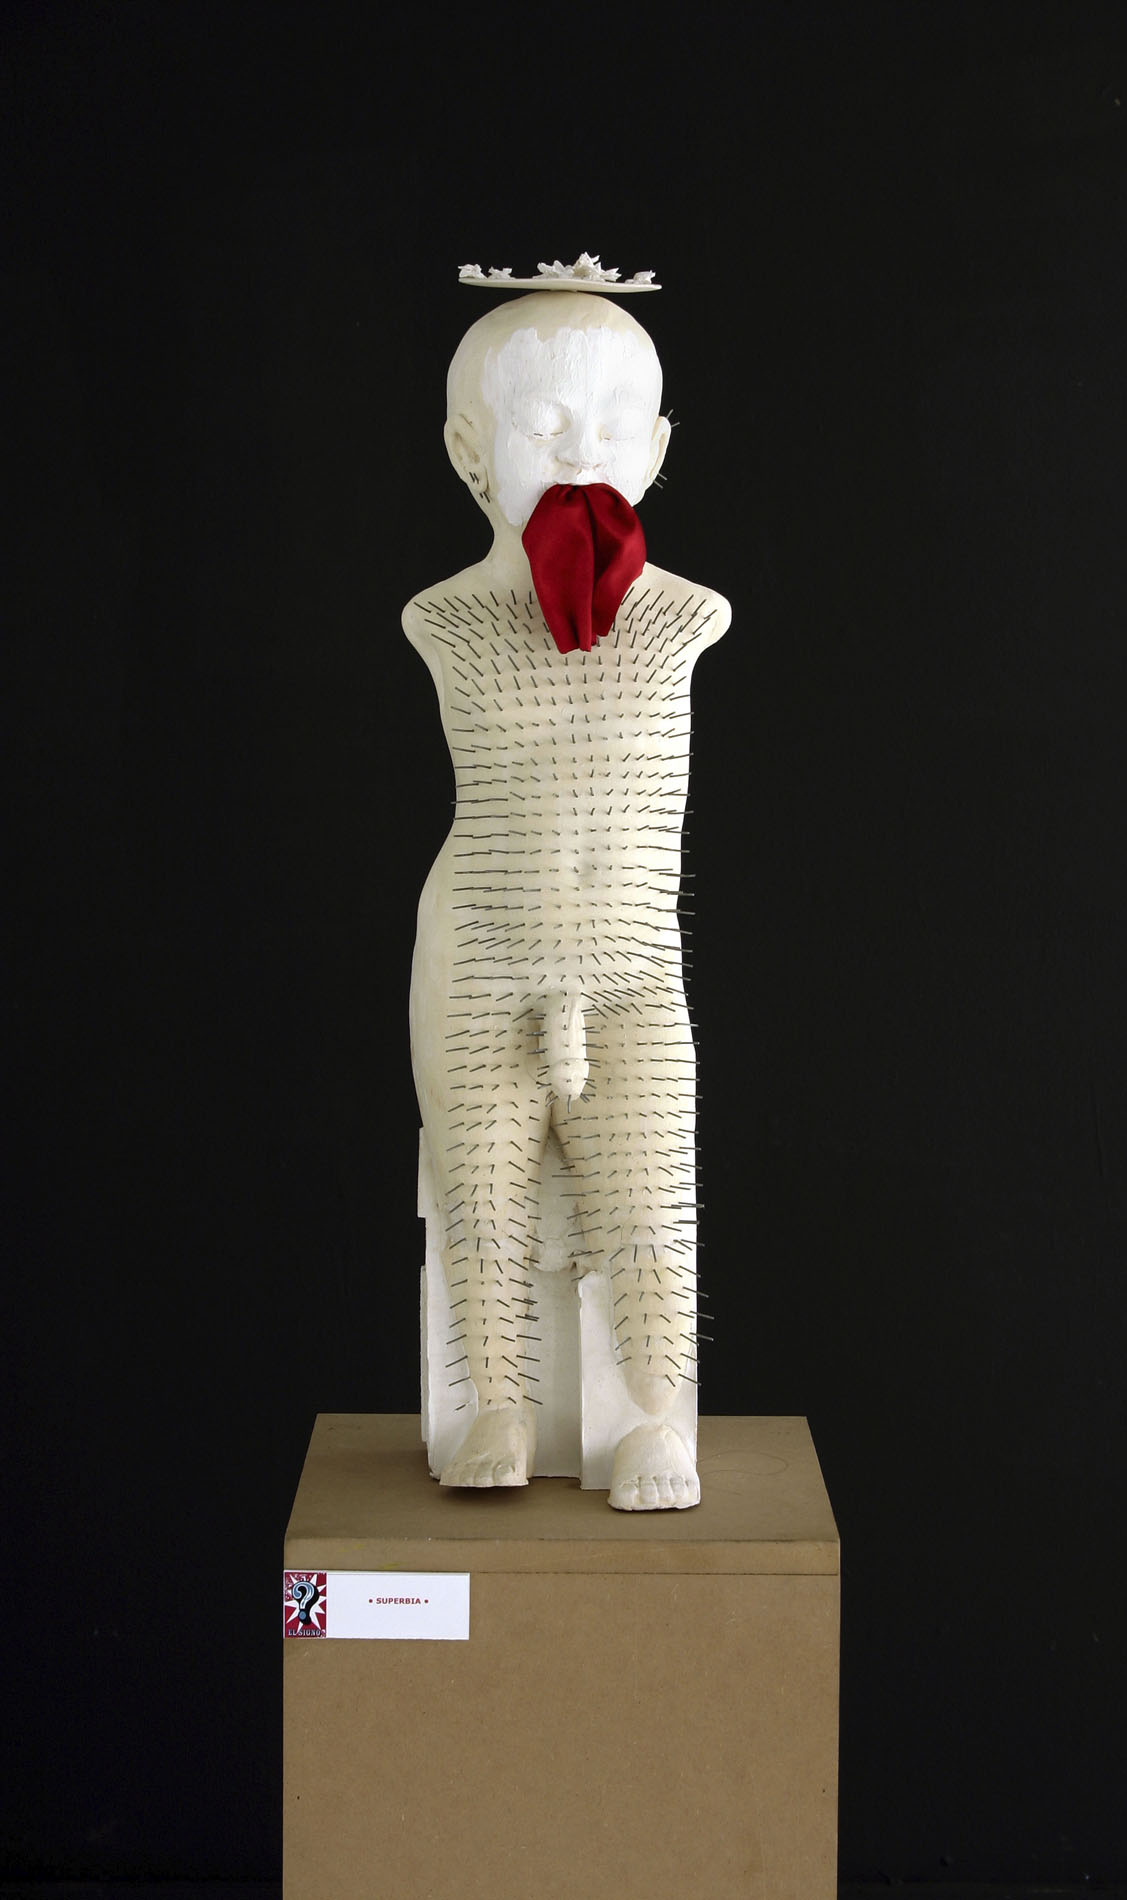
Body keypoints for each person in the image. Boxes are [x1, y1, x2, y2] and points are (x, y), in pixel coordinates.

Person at [403, 290, 729, 1509]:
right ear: (468, 449)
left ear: (656, 447)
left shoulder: (687, 617)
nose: (582, 454)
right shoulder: (444, 620)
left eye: (613, 426)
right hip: (482, 947)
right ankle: (495, 1402)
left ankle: (650, 1416)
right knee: (479, 1192)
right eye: (544, 425)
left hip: (632, 962)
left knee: (647, 1198)